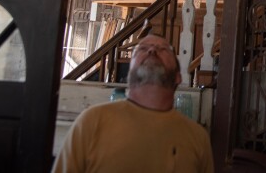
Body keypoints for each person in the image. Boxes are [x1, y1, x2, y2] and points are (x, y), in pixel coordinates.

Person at [52, 34, 214, 173]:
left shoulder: (197, 137)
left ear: (179, 77)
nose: (152, 51)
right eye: (142, 49)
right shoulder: (92, 121)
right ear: (129, 73)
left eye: (164, 49)